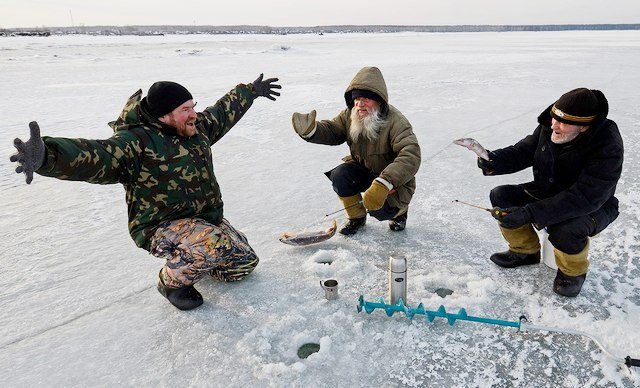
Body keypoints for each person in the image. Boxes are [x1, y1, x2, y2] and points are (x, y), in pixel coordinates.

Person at [9, 74, 281, 310]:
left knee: (243, 265)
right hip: (160, 226)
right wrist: (46, 156)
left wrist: (249, 92)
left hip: (203, 220)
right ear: (164, 115)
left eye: (193, 106)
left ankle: (200, 254)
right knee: (213, 243)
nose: (194, 114)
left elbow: (221, 113)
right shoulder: (135, 144)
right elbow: (95, 156)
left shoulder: (194, 129)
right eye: (185, 109)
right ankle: (171, 283)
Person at [477, 88, 623, 297]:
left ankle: (572, 273)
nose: (554, 125)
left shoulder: (608, 145)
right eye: (554, 118)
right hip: (548, 190)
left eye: (563, 122)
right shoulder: (551, 126)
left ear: (584, 127)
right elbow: (524, 151)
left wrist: (530, 213)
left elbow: (585, 196)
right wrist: (493, 160)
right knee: (502, 195)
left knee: (565, 229)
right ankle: (525, 251)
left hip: (594, 206)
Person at [291, 66, 421, 235]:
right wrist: (311, 130)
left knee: (378, 209)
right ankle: (357, 217)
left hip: (393, 183)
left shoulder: (397, 122)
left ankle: (400, 214)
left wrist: (385, 182)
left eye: (366, 98)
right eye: (357, 98)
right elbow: (333, 130)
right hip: (364, 170)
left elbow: (410, 155)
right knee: (340, 175)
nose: (360, 104)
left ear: (379, 100)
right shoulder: (351, 114)